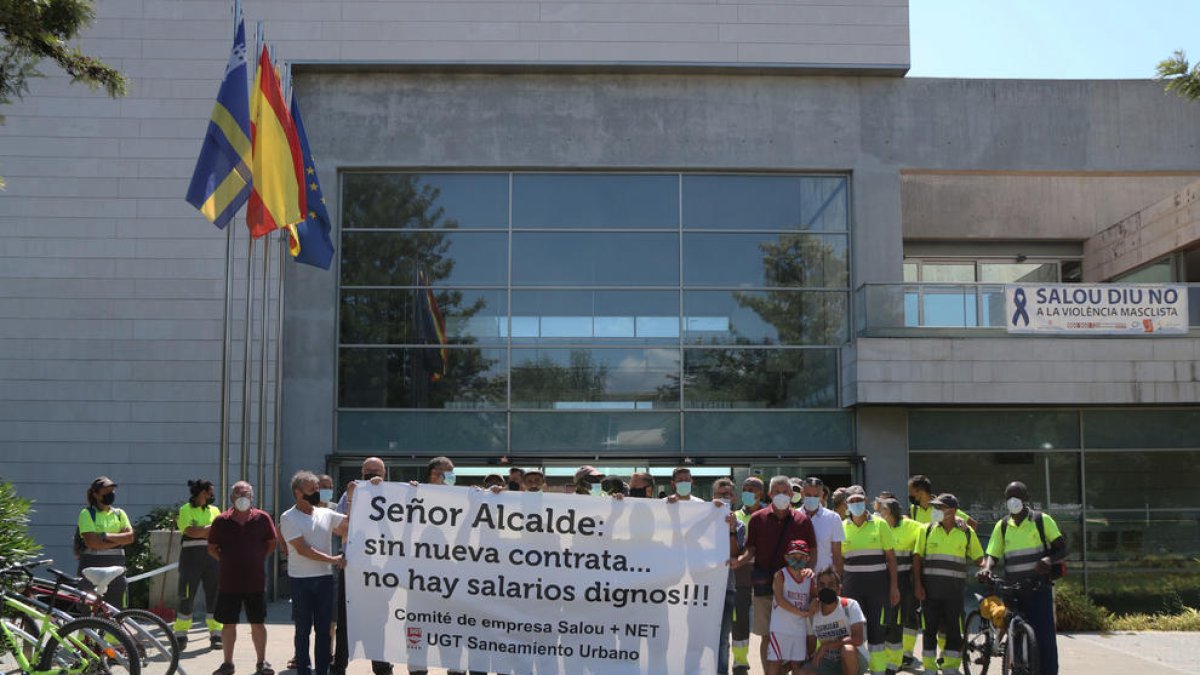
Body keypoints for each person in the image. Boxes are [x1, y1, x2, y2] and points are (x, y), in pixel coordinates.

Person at [978, 481, 1067, 675]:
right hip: (1014, 591)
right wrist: (987, 568)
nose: (1013, 501)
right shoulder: (1002, 526)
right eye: (1009, 497)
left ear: (1026, 499)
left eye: (1016, 496)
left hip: (1038, 589)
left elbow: (1062, 548)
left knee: (1044, 640)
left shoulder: (1042, 520)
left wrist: (1048, 559)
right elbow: (992, 554)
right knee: (1016, 637)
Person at [733, 475, 817, 675]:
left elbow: (812, 550)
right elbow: (751, 549)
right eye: (777, 492)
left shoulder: (802, 520)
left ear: (792, 495)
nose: (782, 495)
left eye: (786, 492)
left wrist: (809, 571)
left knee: (797, 635)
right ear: (770, 494)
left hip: (795, 588)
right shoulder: (757, 518)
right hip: (764, 586)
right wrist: (739, 561)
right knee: (767, 636)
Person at [279, 471, 349, 675]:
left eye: (318, 489)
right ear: (298, 493)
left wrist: (357, 495)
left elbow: (350, 524)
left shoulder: (325, 513)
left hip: (324, 580)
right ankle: (304, 670)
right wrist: (333, 560)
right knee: (302, 630)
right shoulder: (288, 517)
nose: (317, 493)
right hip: (301, 582)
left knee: (324, 631)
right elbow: (303, 550)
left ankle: (322, 670)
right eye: (312, 490)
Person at [208, 480, 278, 675]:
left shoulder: (262, 518)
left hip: (255, 581)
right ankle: (227, 663)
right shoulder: (221, 521)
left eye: (246, 494)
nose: (243, 498)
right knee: (228, 624)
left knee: (258, 623)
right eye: (239, 494)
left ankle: (261, 662)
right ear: (231, 497)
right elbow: (212, 547)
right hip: (229, 582)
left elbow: (272, 542)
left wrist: (258, 557)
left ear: (252, 497)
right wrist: (226, 560)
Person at [913, 494, 982, 675]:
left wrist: (985, 569)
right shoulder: (926, 530)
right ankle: (929, 667)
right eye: (935, 507)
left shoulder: (966, 532)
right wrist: (918, 585)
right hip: (930, 592)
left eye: (940, 508)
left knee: (953, 630)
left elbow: (979, 558)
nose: (935, 511)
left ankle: (950, 667)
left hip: (954, 592)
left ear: (952, 512)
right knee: (929, 630)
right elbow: (917, 558)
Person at [333, 457, 389, 675]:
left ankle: (382, 666)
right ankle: (339, 667)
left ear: (384, 474)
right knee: (345, 623)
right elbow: (340, 529)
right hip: (353, 568)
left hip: (380, 569)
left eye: (376, 471)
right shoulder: (348, 496)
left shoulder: (395, 495)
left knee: (379, 621)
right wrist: (350, 498)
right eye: (367, 471)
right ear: (361, 472)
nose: (372, 475)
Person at [841, 488, 898, 675]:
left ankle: (878, 670)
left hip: (878, 588)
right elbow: (839, 561)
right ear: (847, 504)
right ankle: (856, 669)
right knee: (853, 631)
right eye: (852, 500)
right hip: (851, 589)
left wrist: (894, 588)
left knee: (876, 631)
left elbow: (891, 558)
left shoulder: (880, 524)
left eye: (859, 499)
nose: (856, 503)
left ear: (865, 500)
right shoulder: (841, 526)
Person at [875, 497, 922, 675]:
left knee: (908, 617)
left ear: (892, 513)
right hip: (883, 580)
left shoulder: (912, 526)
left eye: (883, 511)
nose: (880, 514)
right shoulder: (879, 526)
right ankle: (891, 660)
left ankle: (904, 656)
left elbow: (930, 530)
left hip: (906, 580)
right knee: (888, 621)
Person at [174, 478, 223, 650]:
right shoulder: (185, 510)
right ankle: (180, 635)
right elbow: (191, 532)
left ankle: (216, 634)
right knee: (186, 595)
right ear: (202, 493)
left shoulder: (215, 510)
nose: (213, 495)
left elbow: (217, 532)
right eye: (211, 492)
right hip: (190, 559)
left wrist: (203, 531)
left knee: (215, 595)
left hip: (212, 558)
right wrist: (210, 529)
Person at [76, 476, 133, 607]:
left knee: (116, 610)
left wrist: (105, 536)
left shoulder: (119, 513)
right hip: (92, 566)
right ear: (96, 494)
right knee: (88, 609)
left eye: (112, 490)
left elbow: (130, 538)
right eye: (106, 491)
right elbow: (92, 543)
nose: (110, 494)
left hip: (116, 567)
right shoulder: (87, 513)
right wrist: (118, 539)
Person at [801, 568, 869, 675]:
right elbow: (811, 646)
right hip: (828, 661)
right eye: (822, 585)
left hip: (854, 659)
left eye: (831, 584)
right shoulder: (812, 613)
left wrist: (826, 646)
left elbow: (858, 639)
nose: (826, 588)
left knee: (847, 650)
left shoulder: (849, 605)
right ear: (816, 589)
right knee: (802, 672)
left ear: (839, 589)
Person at [730, 476, 767, 674]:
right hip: (740, 575)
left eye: (752, 489)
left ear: (760, 493)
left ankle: (772, 661)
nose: (747, 492)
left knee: (767, 621)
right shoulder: (733, 515)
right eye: (744, 488)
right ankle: (740, 662)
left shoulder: (769, 515)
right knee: (739, 620)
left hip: (765, 574)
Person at [710, 478, 746, 675]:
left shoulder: (739, 525)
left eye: (728, 495)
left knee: (723, 638)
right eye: (720, 494)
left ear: (733, 497)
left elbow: (734, 554)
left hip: (726, 588)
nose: (724, 498)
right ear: (713, 497)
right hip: (699, 588)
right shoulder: (701, 519)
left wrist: (731, 529)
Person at [766, 540, 817, 675]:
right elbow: (780, 600)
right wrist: (802, 613)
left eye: (801, 557)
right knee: (775, 661)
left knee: (797, 664)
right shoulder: (781, 575)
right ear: (786, 557)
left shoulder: (809, 578)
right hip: (780, 628)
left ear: (807, 558)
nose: (797, 560)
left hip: (799, 630)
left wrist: (812, 606)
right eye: (794, 556)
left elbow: (814, 597)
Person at [799, 477, 845, 577]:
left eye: (816, 495)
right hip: (798, 579)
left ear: (822, 495)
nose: (812, 498)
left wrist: (839, 581)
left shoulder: (833, 518)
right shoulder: (794, 516)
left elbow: (837, 554)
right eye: (808, 495)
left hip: (825, 580)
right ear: (801, 494)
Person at [907, 475, 976, 529]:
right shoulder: (914, 509)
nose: (909, 494)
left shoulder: (941, 507)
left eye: (910, 491)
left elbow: (972, 524)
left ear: (921, 492)